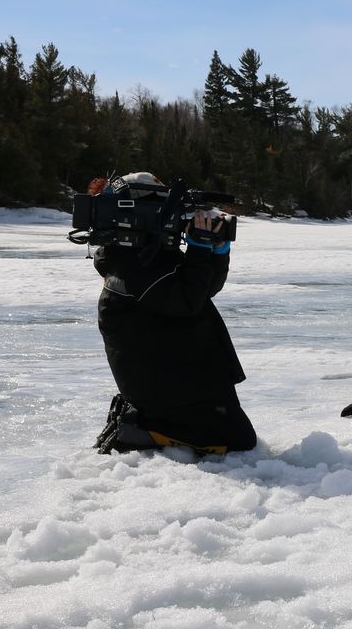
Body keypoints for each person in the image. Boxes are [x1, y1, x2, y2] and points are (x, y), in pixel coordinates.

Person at [91, 172, 256, 455]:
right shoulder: (131, 266)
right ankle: (136, 429)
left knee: (237, 435)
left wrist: (216, 250)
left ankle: (148, 421)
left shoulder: (148, 256)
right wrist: (199, 251)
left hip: (182, 373)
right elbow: (185, 300)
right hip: (164, 383)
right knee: (237, 440)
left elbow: (203, 291)